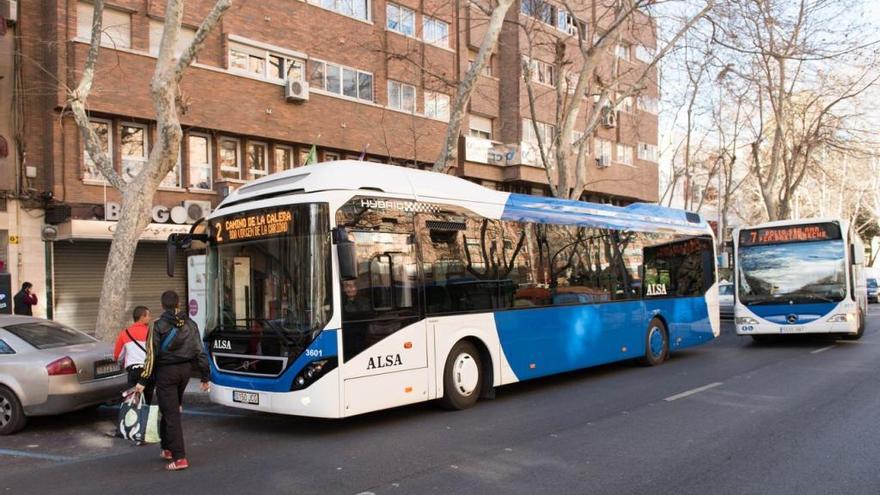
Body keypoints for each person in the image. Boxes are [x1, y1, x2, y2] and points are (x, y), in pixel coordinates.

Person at [136, 291, 210, 471]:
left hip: (166, 373)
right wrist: (205, 377)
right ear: (178, 304)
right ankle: (167, 448)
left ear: (162, 305)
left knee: (171, 415)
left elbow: (151, 356)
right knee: (170, 408)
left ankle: (179, 458)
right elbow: (200, 351)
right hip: (184, 372)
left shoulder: (157, 325)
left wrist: (143, 381)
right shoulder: (191, 324)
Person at [113, 306, 153, 403]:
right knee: (147, 400)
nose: (150, 318)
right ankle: (145, 415)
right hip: (148, 371)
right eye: (148, 315)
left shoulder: (124, 333)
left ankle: (133, 416)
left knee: (132, 401)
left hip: (133, 371)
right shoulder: (152, 332)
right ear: (142, 317)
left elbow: (117, 356)